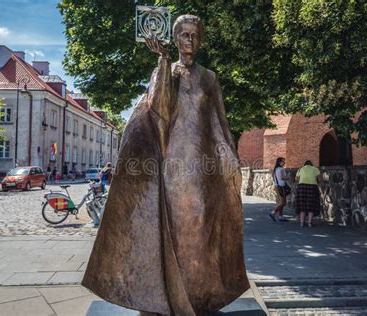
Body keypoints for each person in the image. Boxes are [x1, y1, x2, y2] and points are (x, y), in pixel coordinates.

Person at [82, 14, 249, 315]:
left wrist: (230, 156)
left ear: (201, 39)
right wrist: (162, 61)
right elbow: (158, 110)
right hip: (170, 165)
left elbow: (219, 121)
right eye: (184, 34)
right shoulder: (165, 71)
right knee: (170, 226)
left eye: (195, 34)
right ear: (174, 38)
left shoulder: (209, 78)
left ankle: (198, 296)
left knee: (200, 228)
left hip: (201, 167)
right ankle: (162, 299)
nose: (190, 39)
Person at [295, 160, 321, 227]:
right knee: (311, 204)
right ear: (311, 164)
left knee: (302, 205)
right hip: (312, 187)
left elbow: (297, 179)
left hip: (302, 187)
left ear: (305, 164)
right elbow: (319, 179)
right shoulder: (315, 169)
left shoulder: (301, 169)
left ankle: (302, 222)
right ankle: (309, 223)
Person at [269, 157, 291, 222]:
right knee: (283, 203)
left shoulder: (275, 169)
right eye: (283, 161)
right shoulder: (281, 169)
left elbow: (274, 178)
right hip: (281, 187)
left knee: (281, 202)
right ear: (279, 162)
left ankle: (281, 216)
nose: (284, 163)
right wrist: (288, 177)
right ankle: (273, 213)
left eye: (284, 161)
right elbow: (283, 178)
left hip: (277, 186)